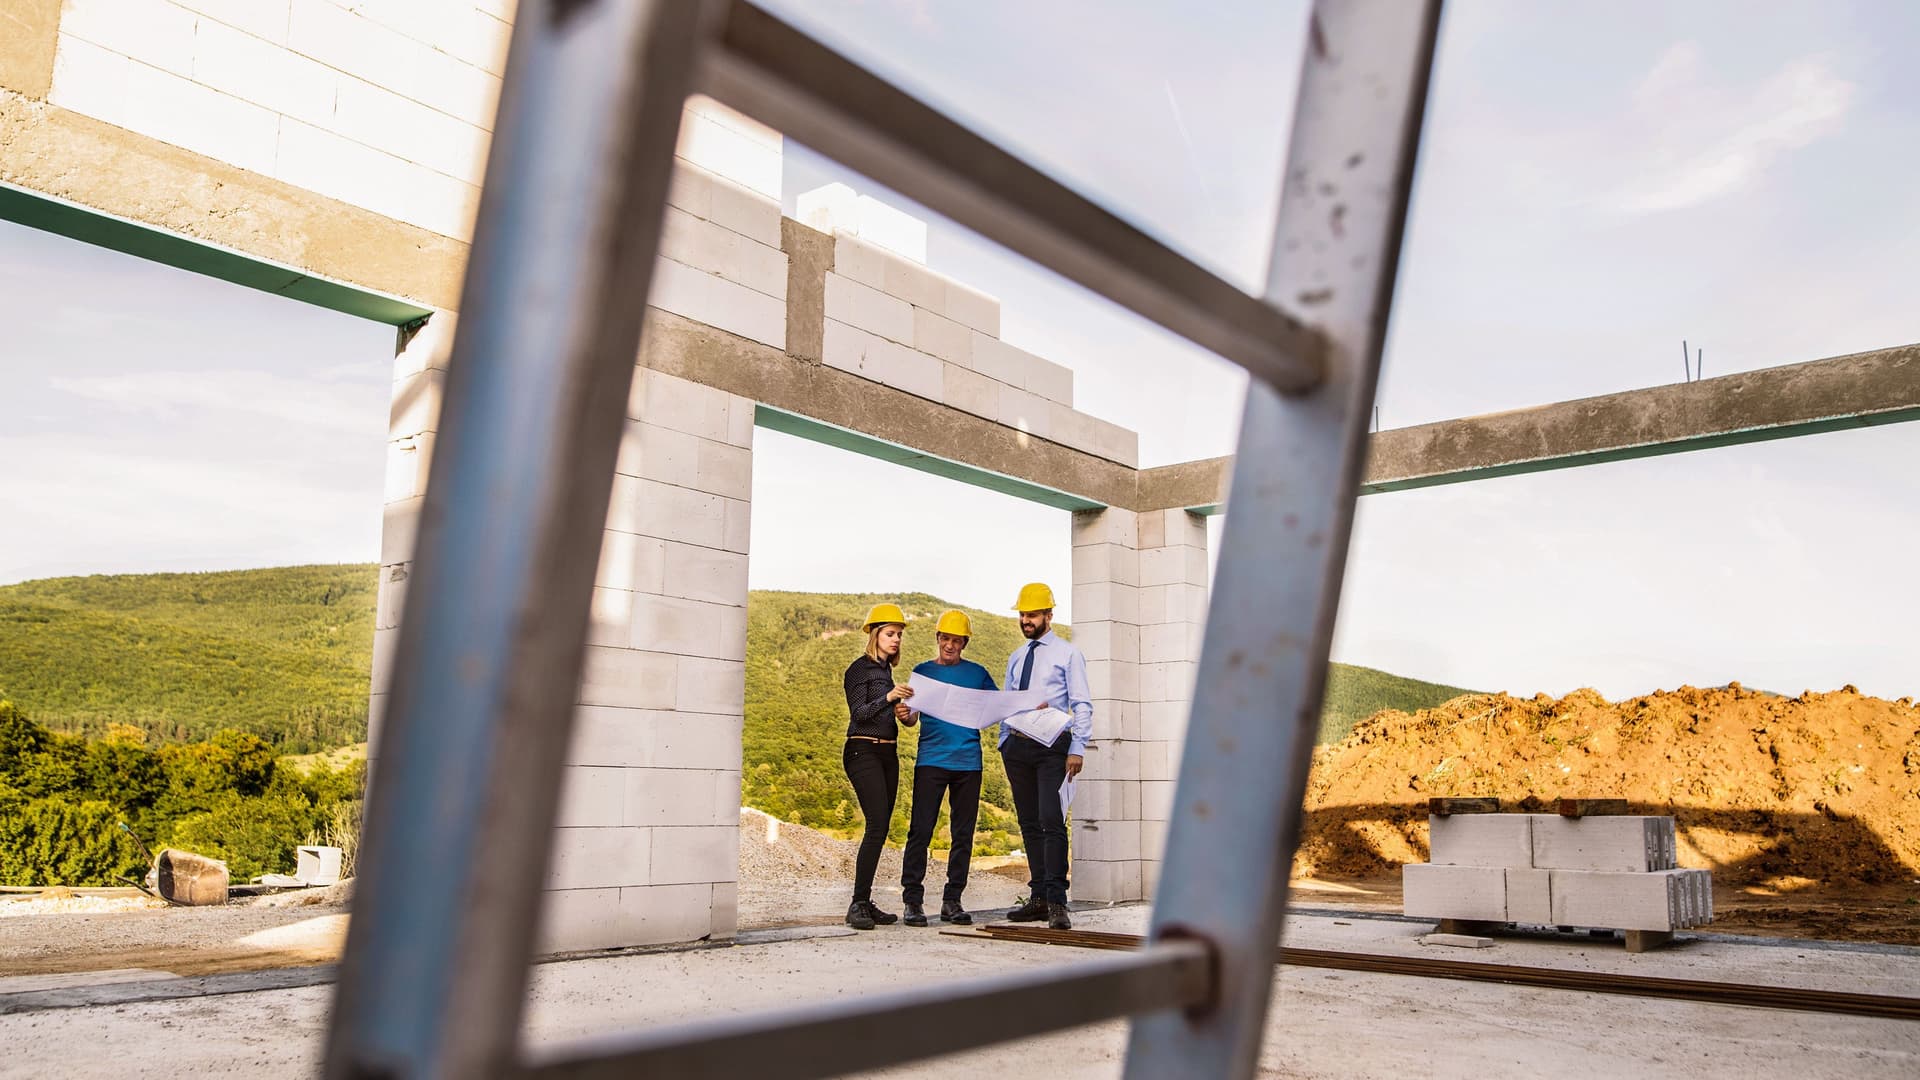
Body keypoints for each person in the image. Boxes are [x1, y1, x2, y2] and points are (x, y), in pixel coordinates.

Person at [997, 582, 1091, 930]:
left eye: (1032, 614)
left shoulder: (1068, 654)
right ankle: (1037, 898)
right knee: (1028, 823)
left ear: (1048, 615)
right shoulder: (1017, 657)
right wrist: (1004, 741)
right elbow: (1008, 702)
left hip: (1054, 745)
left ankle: (1056, 902)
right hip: (1018, 747)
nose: (1026, 620)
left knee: (1051, 821)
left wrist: (1077, 747)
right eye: (1023, 614)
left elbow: (1081, 704)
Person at [897, 610, 996, 927]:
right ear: (937, 638)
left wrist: (1029, 708)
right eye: (945, 639)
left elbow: (996, 706)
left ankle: (952, 901)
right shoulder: (922, 673)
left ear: (964, 643)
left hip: (969, 763)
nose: (950, 645)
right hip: (931, 761)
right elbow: (911, 718)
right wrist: (904, 714)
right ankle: (912, 902)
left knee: (962, 835)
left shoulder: (978, 674)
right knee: (920, 831)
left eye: (956, 640)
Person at [842, 602, 915, 931]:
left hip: (888, 753)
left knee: (881, 828)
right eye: (890, 633)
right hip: (862, 751)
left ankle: (864, 900)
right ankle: (857, 904)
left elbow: (887, 716)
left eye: (899, 634)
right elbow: (858, 714)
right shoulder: (859, 669)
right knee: (875, 826)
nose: (896, 639)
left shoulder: (887, 674)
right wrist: (888, 699)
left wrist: (902, 714)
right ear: (875, 635)